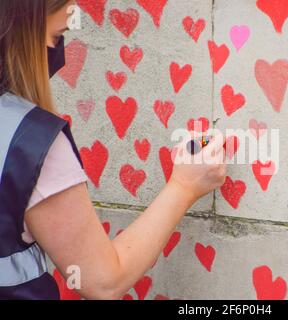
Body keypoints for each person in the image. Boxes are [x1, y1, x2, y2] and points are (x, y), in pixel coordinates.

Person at [0, 0, 226, 300]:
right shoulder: (30, 141)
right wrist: (184, 186)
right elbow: (103, 282)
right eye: (56, 36)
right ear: (22, 29)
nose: (58, 51)